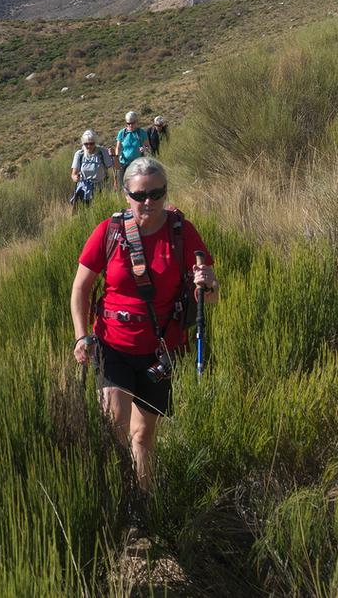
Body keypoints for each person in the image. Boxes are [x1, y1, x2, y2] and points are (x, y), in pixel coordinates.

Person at [68, 157, 217, 492]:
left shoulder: (182, 233)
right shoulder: (109, 231)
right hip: (114, 344)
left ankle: (143, 499)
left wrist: (209, 284)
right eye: (140, 195)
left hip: (160, 352)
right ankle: (114, 492)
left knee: (143, 434)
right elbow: (81, 288)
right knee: (114, 421)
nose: (148, 201)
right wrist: (81, 336)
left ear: (165, 193)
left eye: (156, 193)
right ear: (126, 195)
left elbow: (208, 297)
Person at [69, 129, 112, 207]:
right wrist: (75, 178)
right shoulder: (79, 154)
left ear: (95, 142)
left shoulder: (102, 152)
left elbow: (113, 166)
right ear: (83, 143)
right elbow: (73, 175)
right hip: (83, 190)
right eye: (86, 144)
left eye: (91, 143)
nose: (89, 146)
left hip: (101, 189)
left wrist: (115, 156)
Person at [114, 111, 148, 188]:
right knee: (122, 186)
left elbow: (147, 146)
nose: (130, 125)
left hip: (137, 164)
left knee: (136, 186)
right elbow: (118, 147)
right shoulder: (122, 133)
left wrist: (144, 149)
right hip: (124, 163)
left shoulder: (141, 133)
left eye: (132, 123)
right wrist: (116, 157)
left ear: (136, 122)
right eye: (128, 123)